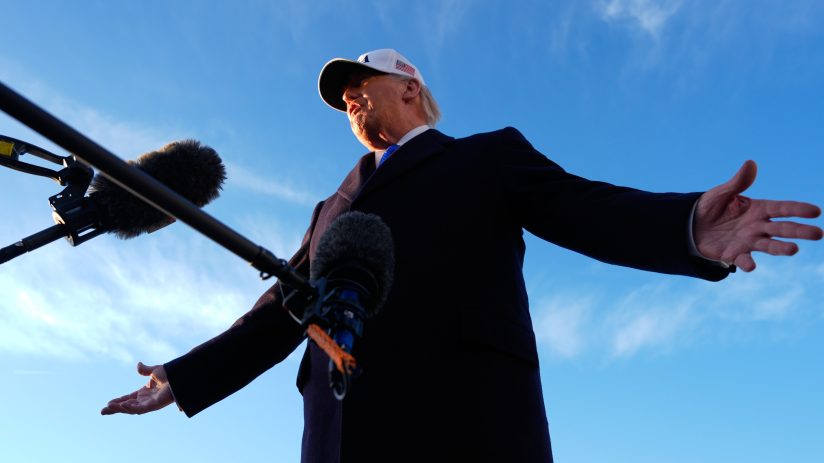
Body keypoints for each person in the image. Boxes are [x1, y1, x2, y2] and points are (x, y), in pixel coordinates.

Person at [102, 49, 822, 462]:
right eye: (343, 97)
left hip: (466, 426)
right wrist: (184, 376)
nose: (351, 99)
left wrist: (688, 227)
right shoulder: (331, 209)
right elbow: (280, 311)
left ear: (409, 89)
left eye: (361, 86)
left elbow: (586, 208)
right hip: (339, 435)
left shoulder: (487, 158)